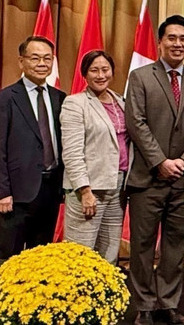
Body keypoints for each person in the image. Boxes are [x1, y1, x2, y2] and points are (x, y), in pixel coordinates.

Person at [125, 15, 184, 325]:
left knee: (176, 245)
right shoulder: (140, 77)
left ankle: (168, 304)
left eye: (183, 38)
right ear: (159, 42)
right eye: (171, 38)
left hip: (183, 179)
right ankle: (145, 307)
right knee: (143, 245)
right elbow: (136, 123)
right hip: (147, 178)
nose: (178, 44)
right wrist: (160, 162)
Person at [0, 35, 65, 259]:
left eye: (47, 59)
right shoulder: (5, 99)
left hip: (51, 191)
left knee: (40, 259)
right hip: (16, 195)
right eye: (35, 58)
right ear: (22, 61)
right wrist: (1, 193)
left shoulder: (61, 98)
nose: (42, 64)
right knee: (9, 257)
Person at [60, 50, 130, 264]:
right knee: (79, 256)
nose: (100, 75)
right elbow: (72, 152)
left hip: (118, 187)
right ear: (85, 74)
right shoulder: (75, 103)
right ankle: (77, 298)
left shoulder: (121, 101)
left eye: (105, 70)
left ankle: (105, 296)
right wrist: (85, 190)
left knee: (108, 255)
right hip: (89, 189)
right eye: (94, 70)